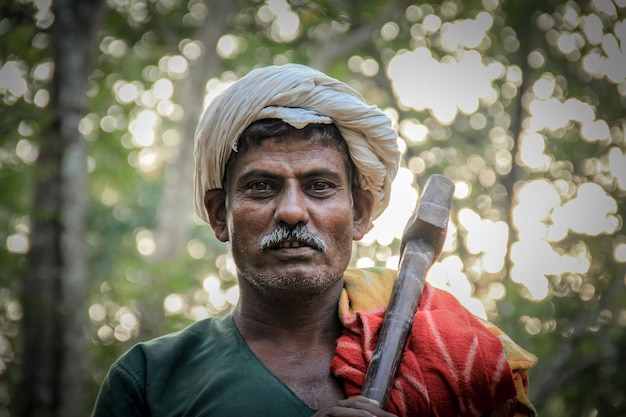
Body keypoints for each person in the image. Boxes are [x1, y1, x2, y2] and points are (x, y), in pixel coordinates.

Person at [92, 64, 537, 417]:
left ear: (360, 214)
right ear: (218, 215)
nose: (291, 211)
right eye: (262, 187)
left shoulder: (446, 358)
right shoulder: (151, 380)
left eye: (319, 186)